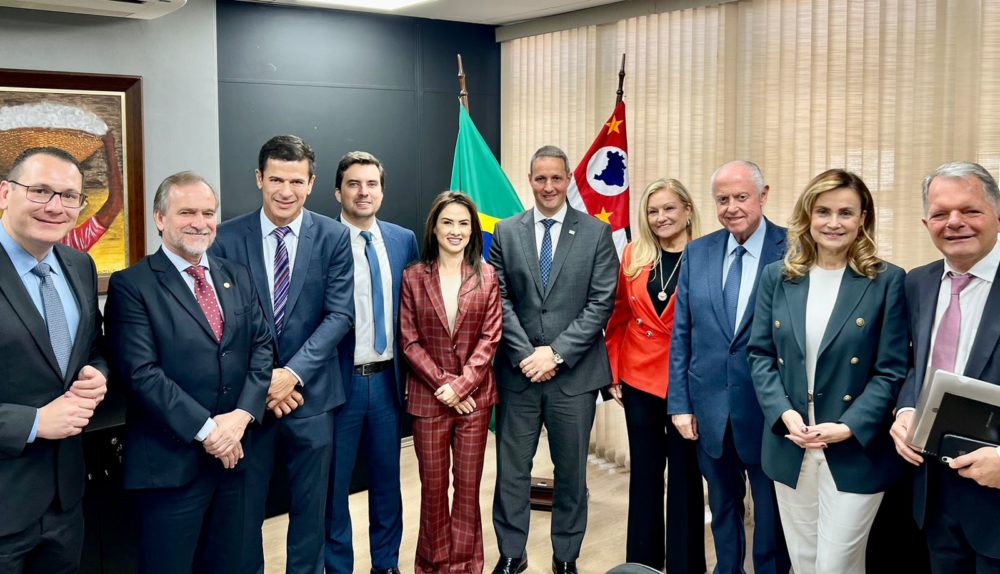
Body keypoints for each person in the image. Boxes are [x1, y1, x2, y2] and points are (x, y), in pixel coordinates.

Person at [104, 171, 273, 574]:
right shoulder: (132, 285)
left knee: (237, 565)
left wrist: (241, 416)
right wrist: (210, 431)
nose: (200, 222)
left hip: (236, 461)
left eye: (208, 213)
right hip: (170, 468)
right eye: (187, 212)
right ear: (160, 218)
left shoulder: (237, 275)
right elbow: (141, 373)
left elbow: (262, 348)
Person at [747, 169, 907, 573]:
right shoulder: (778, 277)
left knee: (836, 565)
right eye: (823, 211)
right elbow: (760, 355)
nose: (833, 223)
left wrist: (849, 426)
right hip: (791, 443)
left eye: (845, 213)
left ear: (862, 218)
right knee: (804, 562)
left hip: (854, 448)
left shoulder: (886, 280)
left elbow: (891, 371)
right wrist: (784, 414)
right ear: (808, 215)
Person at [211, 135, 354, 574]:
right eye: (276, 179)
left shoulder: (333, 236)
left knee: (311, 516)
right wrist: (264, 383)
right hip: (248, 406)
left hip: (312, 399)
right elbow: (224, 323)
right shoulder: (225, 238)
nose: (286, 191)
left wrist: (291, 374)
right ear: (259, 178)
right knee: (243, 517)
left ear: (311, 183)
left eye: (296, 181)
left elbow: (340, 316)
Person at [488, 145, 618, 574]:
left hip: (574, 377)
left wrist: (556, 354)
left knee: (571, 474)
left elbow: (601, 303)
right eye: (540, 178)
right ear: (530, 180)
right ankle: (512, 553)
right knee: (511, 472)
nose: (548, 186)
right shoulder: (506, 231)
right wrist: (528, 354)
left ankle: (566, 557)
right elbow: (498, 298)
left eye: (556, 178)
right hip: (519, 374)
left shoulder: (596, 233)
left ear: (568, 180)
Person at [668, 160, 790, 574]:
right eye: (723, 199)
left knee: (770, 515)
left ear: (763, 195)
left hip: (769, 412)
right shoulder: (698, 251)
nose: (732, 207)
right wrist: (680, 404)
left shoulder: (794, 249)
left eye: (741, 197)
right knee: (722, 509)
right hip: (710, 410)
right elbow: (682, 333)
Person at [0, 147, 108, 573]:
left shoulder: (79, 265)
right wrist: (33, 422)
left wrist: (97, 374)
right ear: (5, 193)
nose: (55, 206)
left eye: (68, 196)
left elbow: (93, 348)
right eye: (40, 191)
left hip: (65, 502)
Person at [890, 161, 1000, 573]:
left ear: (997, 215)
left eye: (969, 210)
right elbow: (911, 363)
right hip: (933, 490)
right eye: (940, 213)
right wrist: (904, 410)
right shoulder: (916, 283)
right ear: (926, 224)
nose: (954, 222)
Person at [604, 178, 706, 573]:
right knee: (645, 472)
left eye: (668, 208)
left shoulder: (706, 255)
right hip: (637, 376)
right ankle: (642, 562)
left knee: (685, 473)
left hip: (687, 380)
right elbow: (618, 315)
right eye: (652, 211)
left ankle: (685, 565)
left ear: (687, 210)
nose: (661, 217)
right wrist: (613, 371)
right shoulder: (634, 254)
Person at [325, 151, 419, 574]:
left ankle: (386, 564)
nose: (363, 192)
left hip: (386, 384)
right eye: (353, 184)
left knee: (387, 483)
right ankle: (338, 567)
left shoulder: (403, 240)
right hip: (338, 384)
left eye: (371, 184)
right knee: (334, 487)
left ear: (382, 191)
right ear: (338, 192)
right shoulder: (322, 240)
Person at [400, 191, 502, 574]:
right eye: (448, 222)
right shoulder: (413, 276)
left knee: (468, 490)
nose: (455, 230)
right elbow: (409, 340)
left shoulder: (487, 276)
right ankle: (432, 565)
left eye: (463, 223)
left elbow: (490, 338)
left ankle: (465, 566)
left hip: (475, 402)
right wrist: (446, 385)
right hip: (428, 400)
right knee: (432, 490)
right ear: (434, 227)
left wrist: (461, 387)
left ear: (473, 230)